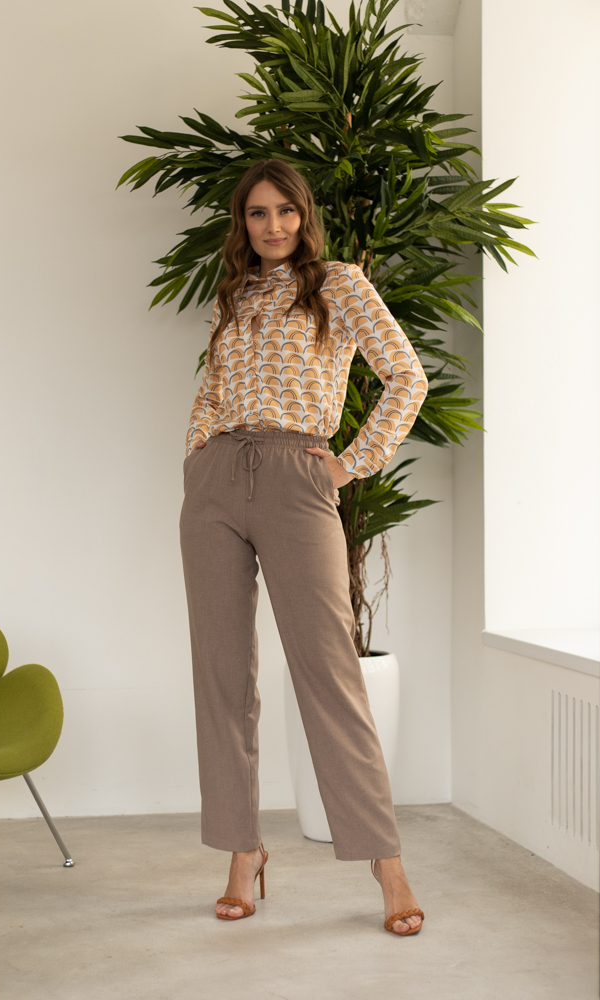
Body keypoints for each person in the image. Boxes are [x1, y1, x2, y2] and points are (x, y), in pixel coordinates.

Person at [178, 159, 428, 935]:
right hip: (217, 480)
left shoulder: (340, 284)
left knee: (329, 672)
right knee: (222, 675)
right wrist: (197, 452)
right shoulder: (233, 292)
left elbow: (406, 377)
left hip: (298, 476)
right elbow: (212, 387)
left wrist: (350, 463)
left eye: (284, 210)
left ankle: (386, 863)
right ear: (242, 223)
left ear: (304, 215)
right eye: (257, 213)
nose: (273, 226)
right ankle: (242, 853)